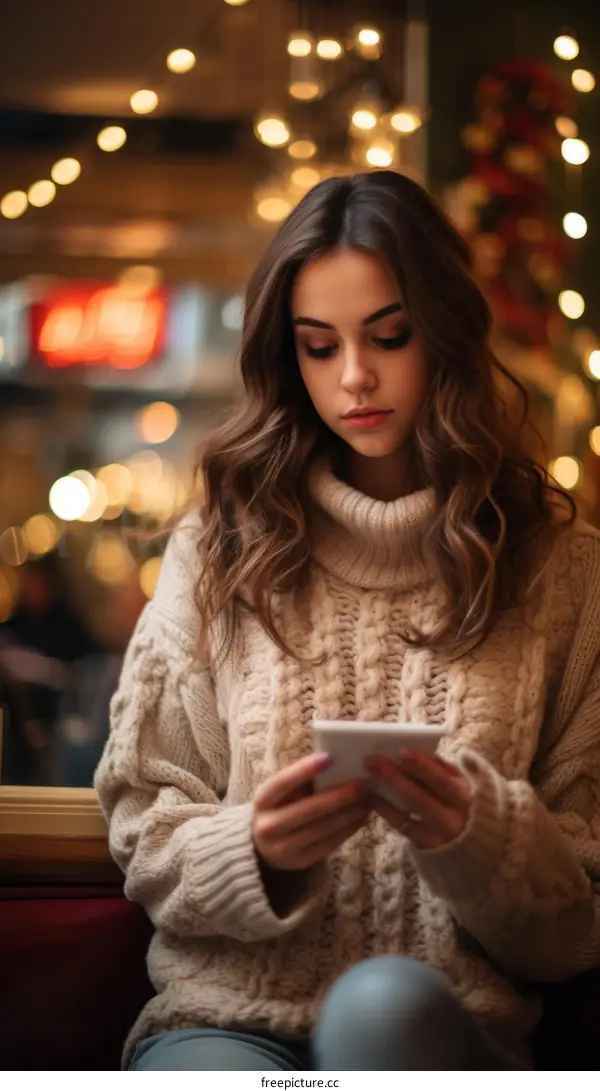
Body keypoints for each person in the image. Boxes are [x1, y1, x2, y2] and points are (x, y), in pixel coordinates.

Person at [95, 170, 600, 1072]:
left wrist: (480, 839)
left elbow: (580, 918)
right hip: (225, 1022)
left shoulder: (565, 571)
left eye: (389, 336)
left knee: (381, 1008)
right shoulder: (216, 550)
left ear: (445, 332)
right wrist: (254, 849)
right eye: (319, 347)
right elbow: (144, 825)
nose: (355, 376)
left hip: (439, 1036)